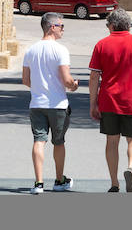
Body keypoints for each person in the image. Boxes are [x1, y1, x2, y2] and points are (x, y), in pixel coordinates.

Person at [89, 8, 132, 192]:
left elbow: (94, 76)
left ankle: (114, 182)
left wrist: (93, 103)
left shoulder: (101, 45)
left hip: (108, 100)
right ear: (128, 24)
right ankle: (131, 167)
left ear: (111, 25)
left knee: (112, 141)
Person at [21, 12, 79, 194]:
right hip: (57, 104)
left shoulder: (31, 50)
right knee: (58, 142)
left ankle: (38, 183)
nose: (63, 29)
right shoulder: (60, 50)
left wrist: (39, 87)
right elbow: (66, 79)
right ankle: (59, 180)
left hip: (37, 103)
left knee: (39, 140)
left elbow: (25, 80)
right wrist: (74, 85)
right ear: (52, 27)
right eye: (61, 26)